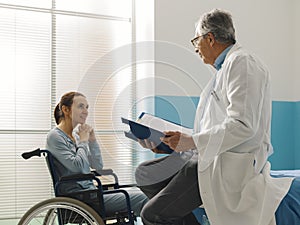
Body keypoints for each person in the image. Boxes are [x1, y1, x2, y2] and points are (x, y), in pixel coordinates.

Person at [136, 9, 294, 225]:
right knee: (145, 173)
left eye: (195, 40)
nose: (195, 48)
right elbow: (215, 128)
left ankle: (171, 211)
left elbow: (242, 125)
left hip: (225, 164)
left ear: (209, 38)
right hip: (207, 156)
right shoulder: (223, 70)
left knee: (152, 215)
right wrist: (172, 142)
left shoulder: (243, 62)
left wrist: (192, 141)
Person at [46, 91, 148, 218]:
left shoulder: (75, 136)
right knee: (145, 199)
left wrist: (92, 141)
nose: (85, 111)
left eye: (87, 107)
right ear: (66, 109)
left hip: (92, 194)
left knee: (145, 195)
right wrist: (83, 141)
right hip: (81, 198)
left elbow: (97, 165)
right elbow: (78, 167)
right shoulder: (55, 137)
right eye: (80, 106)